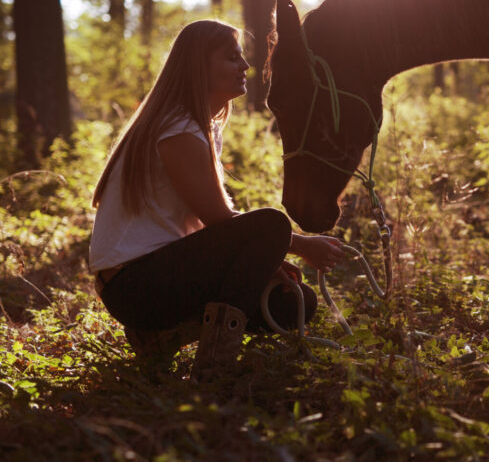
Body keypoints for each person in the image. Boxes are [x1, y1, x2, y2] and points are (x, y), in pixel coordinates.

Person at [89, 19, 346, 378]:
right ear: (198, 67)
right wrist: (300, 245)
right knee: (272, 222)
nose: (245, 67)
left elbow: (213, 227)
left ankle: (162, 339)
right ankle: (213, 365)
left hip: (158, 276)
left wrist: (266, 260)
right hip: (135, 285)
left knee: (295, 304)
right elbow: (219, 218)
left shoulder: (196, 127)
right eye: (231, 58)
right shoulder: (177, 128)